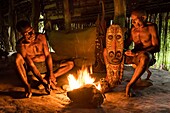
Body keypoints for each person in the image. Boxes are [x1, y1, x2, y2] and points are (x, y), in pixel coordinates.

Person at [15, 20, 74, 98]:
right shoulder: (21, 45)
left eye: (31, 31)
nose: (31, 35)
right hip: (34, 69)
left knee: (70, 64)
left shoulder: (41, 37)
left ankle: (49, 79)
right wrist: (43, 82)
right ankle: (27, 86)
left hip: (46, 65)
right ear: (21, 34)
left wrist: (51, 74)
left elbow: (48, 56)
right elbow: (31, 65)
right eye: (27, 34)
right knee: (17, 58)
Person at [124, 8, 160, 97]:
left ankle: (130, 85)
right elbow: (126, 44)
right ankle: (111, 81)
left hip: (148, 56)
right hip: (135, 56)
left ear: (143, 18)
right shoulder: (133, 30)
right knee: (108, 52)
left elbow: (156, 47)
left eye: (135, 20)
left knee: (144, 57)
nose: (133, 23)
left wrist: (138, 53)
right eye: (132, 20)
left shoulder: (151, 27)